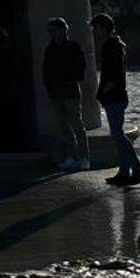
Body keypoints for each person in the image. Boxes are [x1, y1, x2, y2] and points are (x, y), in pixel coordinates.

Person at [90, 12, 140, 186]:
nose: (94, 31)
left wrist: (105, 90)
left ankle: (136, 171)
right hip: (114, 95)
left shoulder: (112, 46)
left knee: (118, 135)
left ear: (104, 28)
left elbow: (114, 73)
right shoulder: (113, 45)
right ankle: (124, 172)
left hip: (114, 96)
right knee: (118, 135)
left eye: (96, 27)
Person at [41, 17, 90, 172]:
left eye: (53, 30)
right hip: (55, 93)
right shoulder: (50, 49)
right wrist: (49, 88)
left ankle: (84, 158)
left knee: (77, 126)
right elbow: (45, 71)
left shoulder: (74, 47)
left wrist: (68, 80)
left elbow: (81, 69)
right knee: (63, 128)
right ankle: (72, 157)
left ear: (63, 30)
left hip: (70, 93)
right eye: (50, 31)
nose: (51, 34)